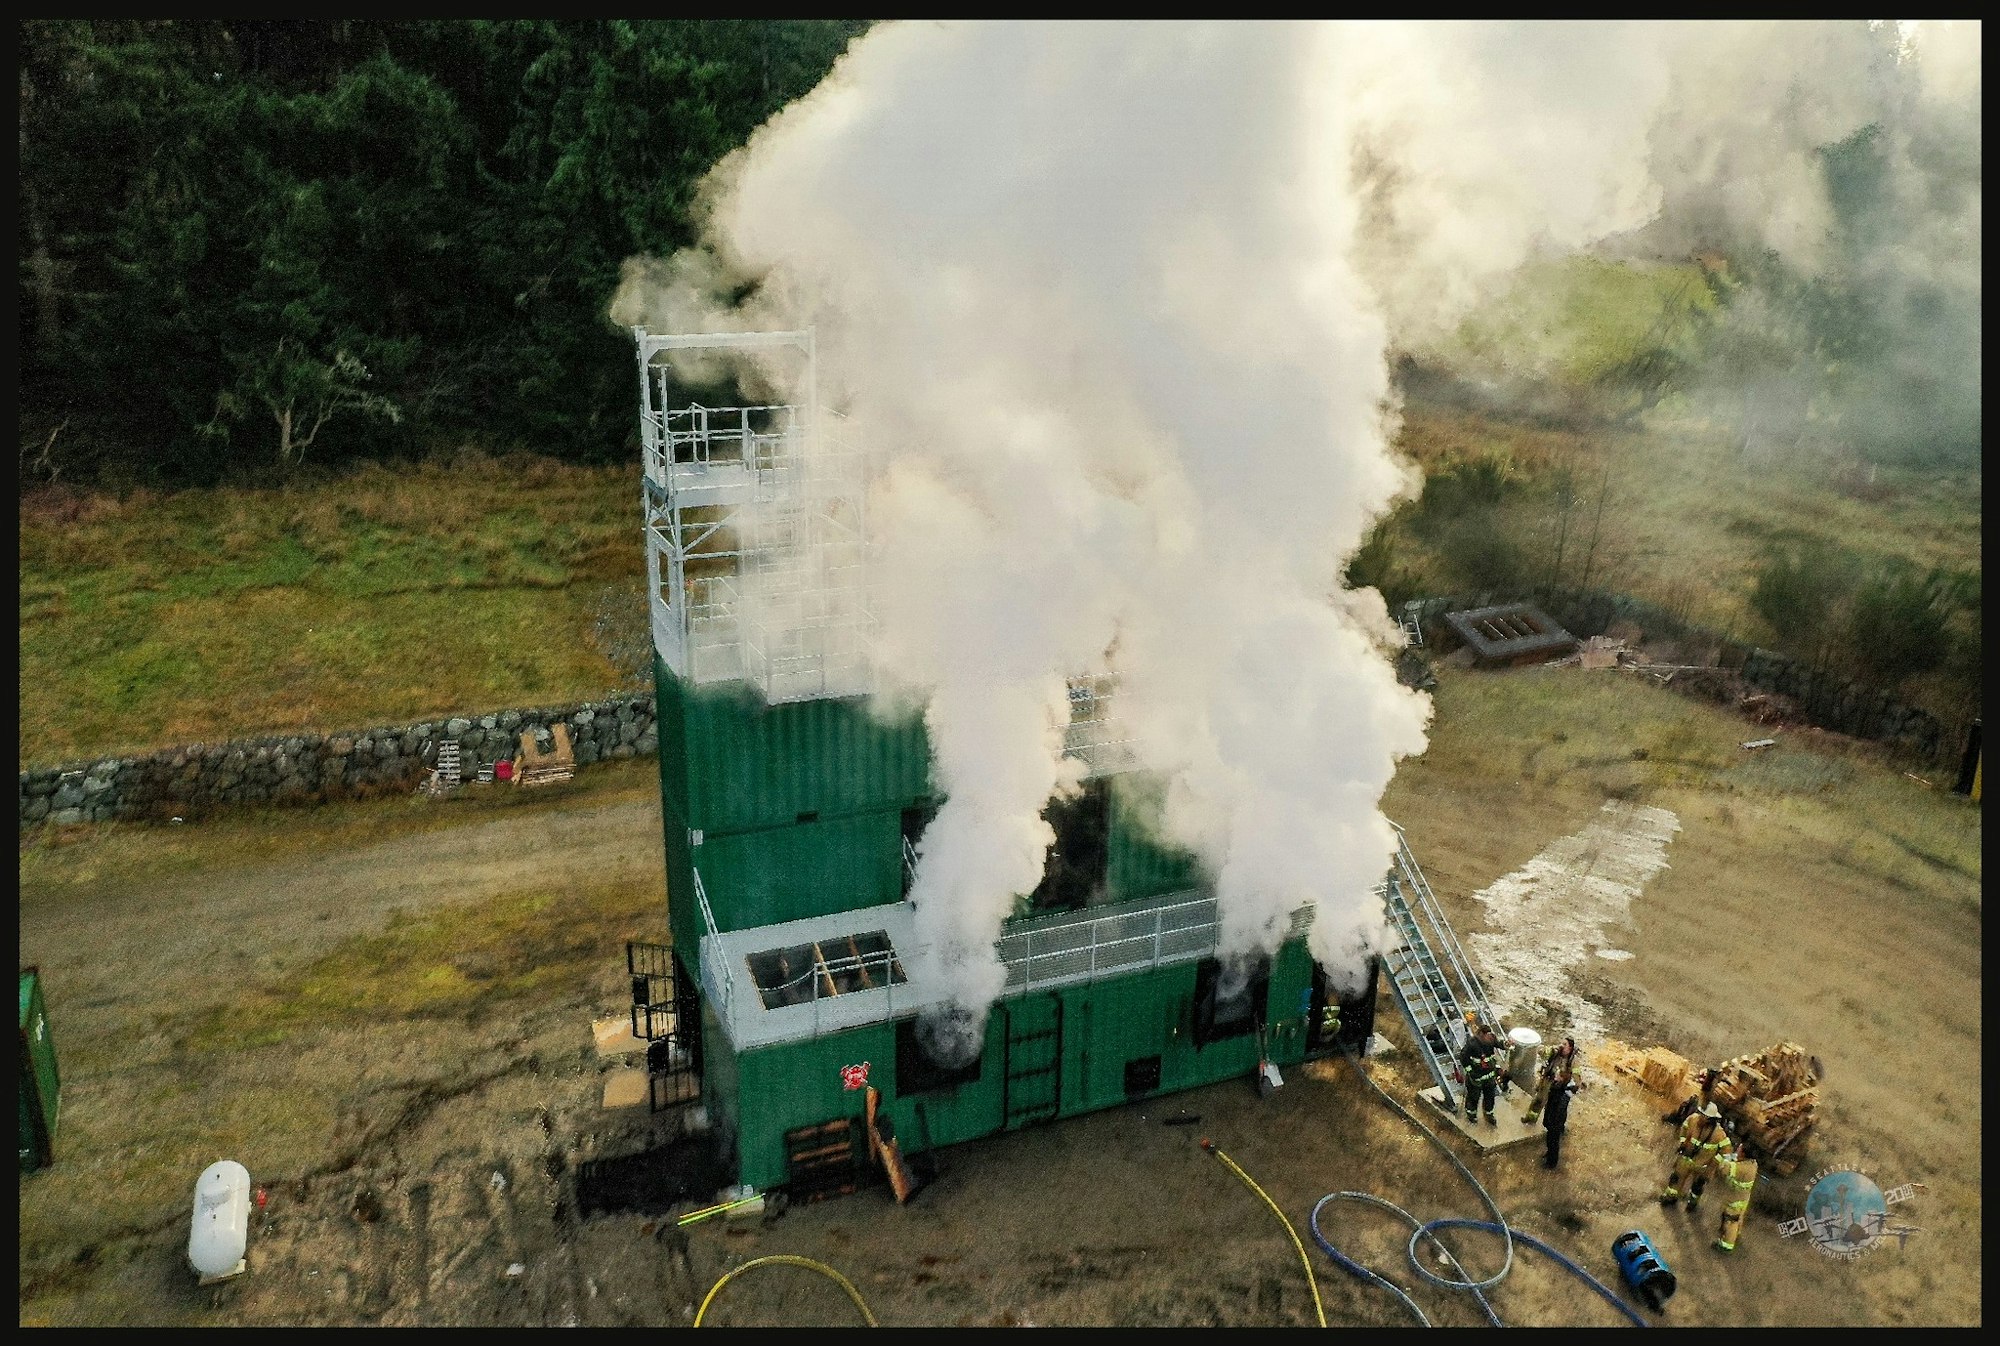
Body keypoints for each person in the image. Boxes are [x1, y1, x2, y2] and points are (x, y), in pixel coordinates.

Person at [1661, 1102, 1730, 1209]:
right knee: (1676, 1179)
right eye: (1701, 1114)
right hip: (1686, 1159)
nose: (1701, 1117)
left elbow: (1726, 1150)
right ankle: (1671, 1197)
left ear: (1710, 1119)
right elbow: (1684, 1127)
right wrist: (1683, 1142)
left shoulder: (1719, 1133)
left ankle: (1692, 1203)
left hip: (1702, 1167)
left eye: (1704, 1116)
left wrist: (1713, 1165)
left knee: (1697, 1187)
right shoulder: (1693, 1119)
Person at [1523, 1036, 1579, 1126]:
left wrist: (1567, 1080)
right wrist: (1552, 1049)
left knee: (1555, 1111)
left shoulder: (1572, 1060)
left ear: (1570, 1048)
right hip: (1548, 1081)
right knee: (1538, 1100)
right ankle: (1530, 1119)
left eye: (1565, 1044)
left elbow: (1576, 1075)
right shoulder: (1556, 1052)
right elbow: (1540, 1051)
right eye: (1562, 1043)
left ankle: (1554, 1127)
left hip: (1559, 1089)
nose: (1562, 1046)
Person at [1713, 1142, 1759, 1252]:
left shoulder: (1739, 1168)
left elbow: (1723, 1168)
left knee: (1731, 1222)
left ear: (1743, 1154)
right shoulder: (1753, 1164)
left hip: (1735, 1200)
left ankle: (1726, 1245)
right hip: (1743, 1198)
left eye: (1739, 1149)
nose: (1737, 1150)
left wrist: (1722, 1157)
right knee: (1738, 1218)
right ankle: (1736, 1233)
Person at [1540, 1047, 1581, 1169]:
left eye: (1558, 1076)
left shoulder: (1564, 1092)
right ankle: (1549, 1154)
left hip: (1555, 1119)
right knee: (1551, 1137)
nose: (1556, 1076)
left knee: (1553, 1138)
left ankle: (1551, 1162)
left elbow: (1559, 1109)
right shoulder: (1557, 1086)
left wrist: (1553, 1123)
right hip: (1552, 1116)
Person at [1459, 1020, 1504, 1125]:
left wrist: (1506, 1044)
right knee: (1473, 1097)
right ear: (1481, 1035)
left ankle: (1489, 1114)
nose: (1490, 1038)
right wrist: (1471, 1072)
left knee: (1490, 1096)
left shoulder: (1491, 1040)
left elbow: (1499, 1044)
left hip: (1489, 1077)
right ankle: (1471, 1114)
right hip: (1476, 1077)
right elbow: (1463, 1057)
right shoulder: (1472, 1044)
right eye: (1487, 1036)